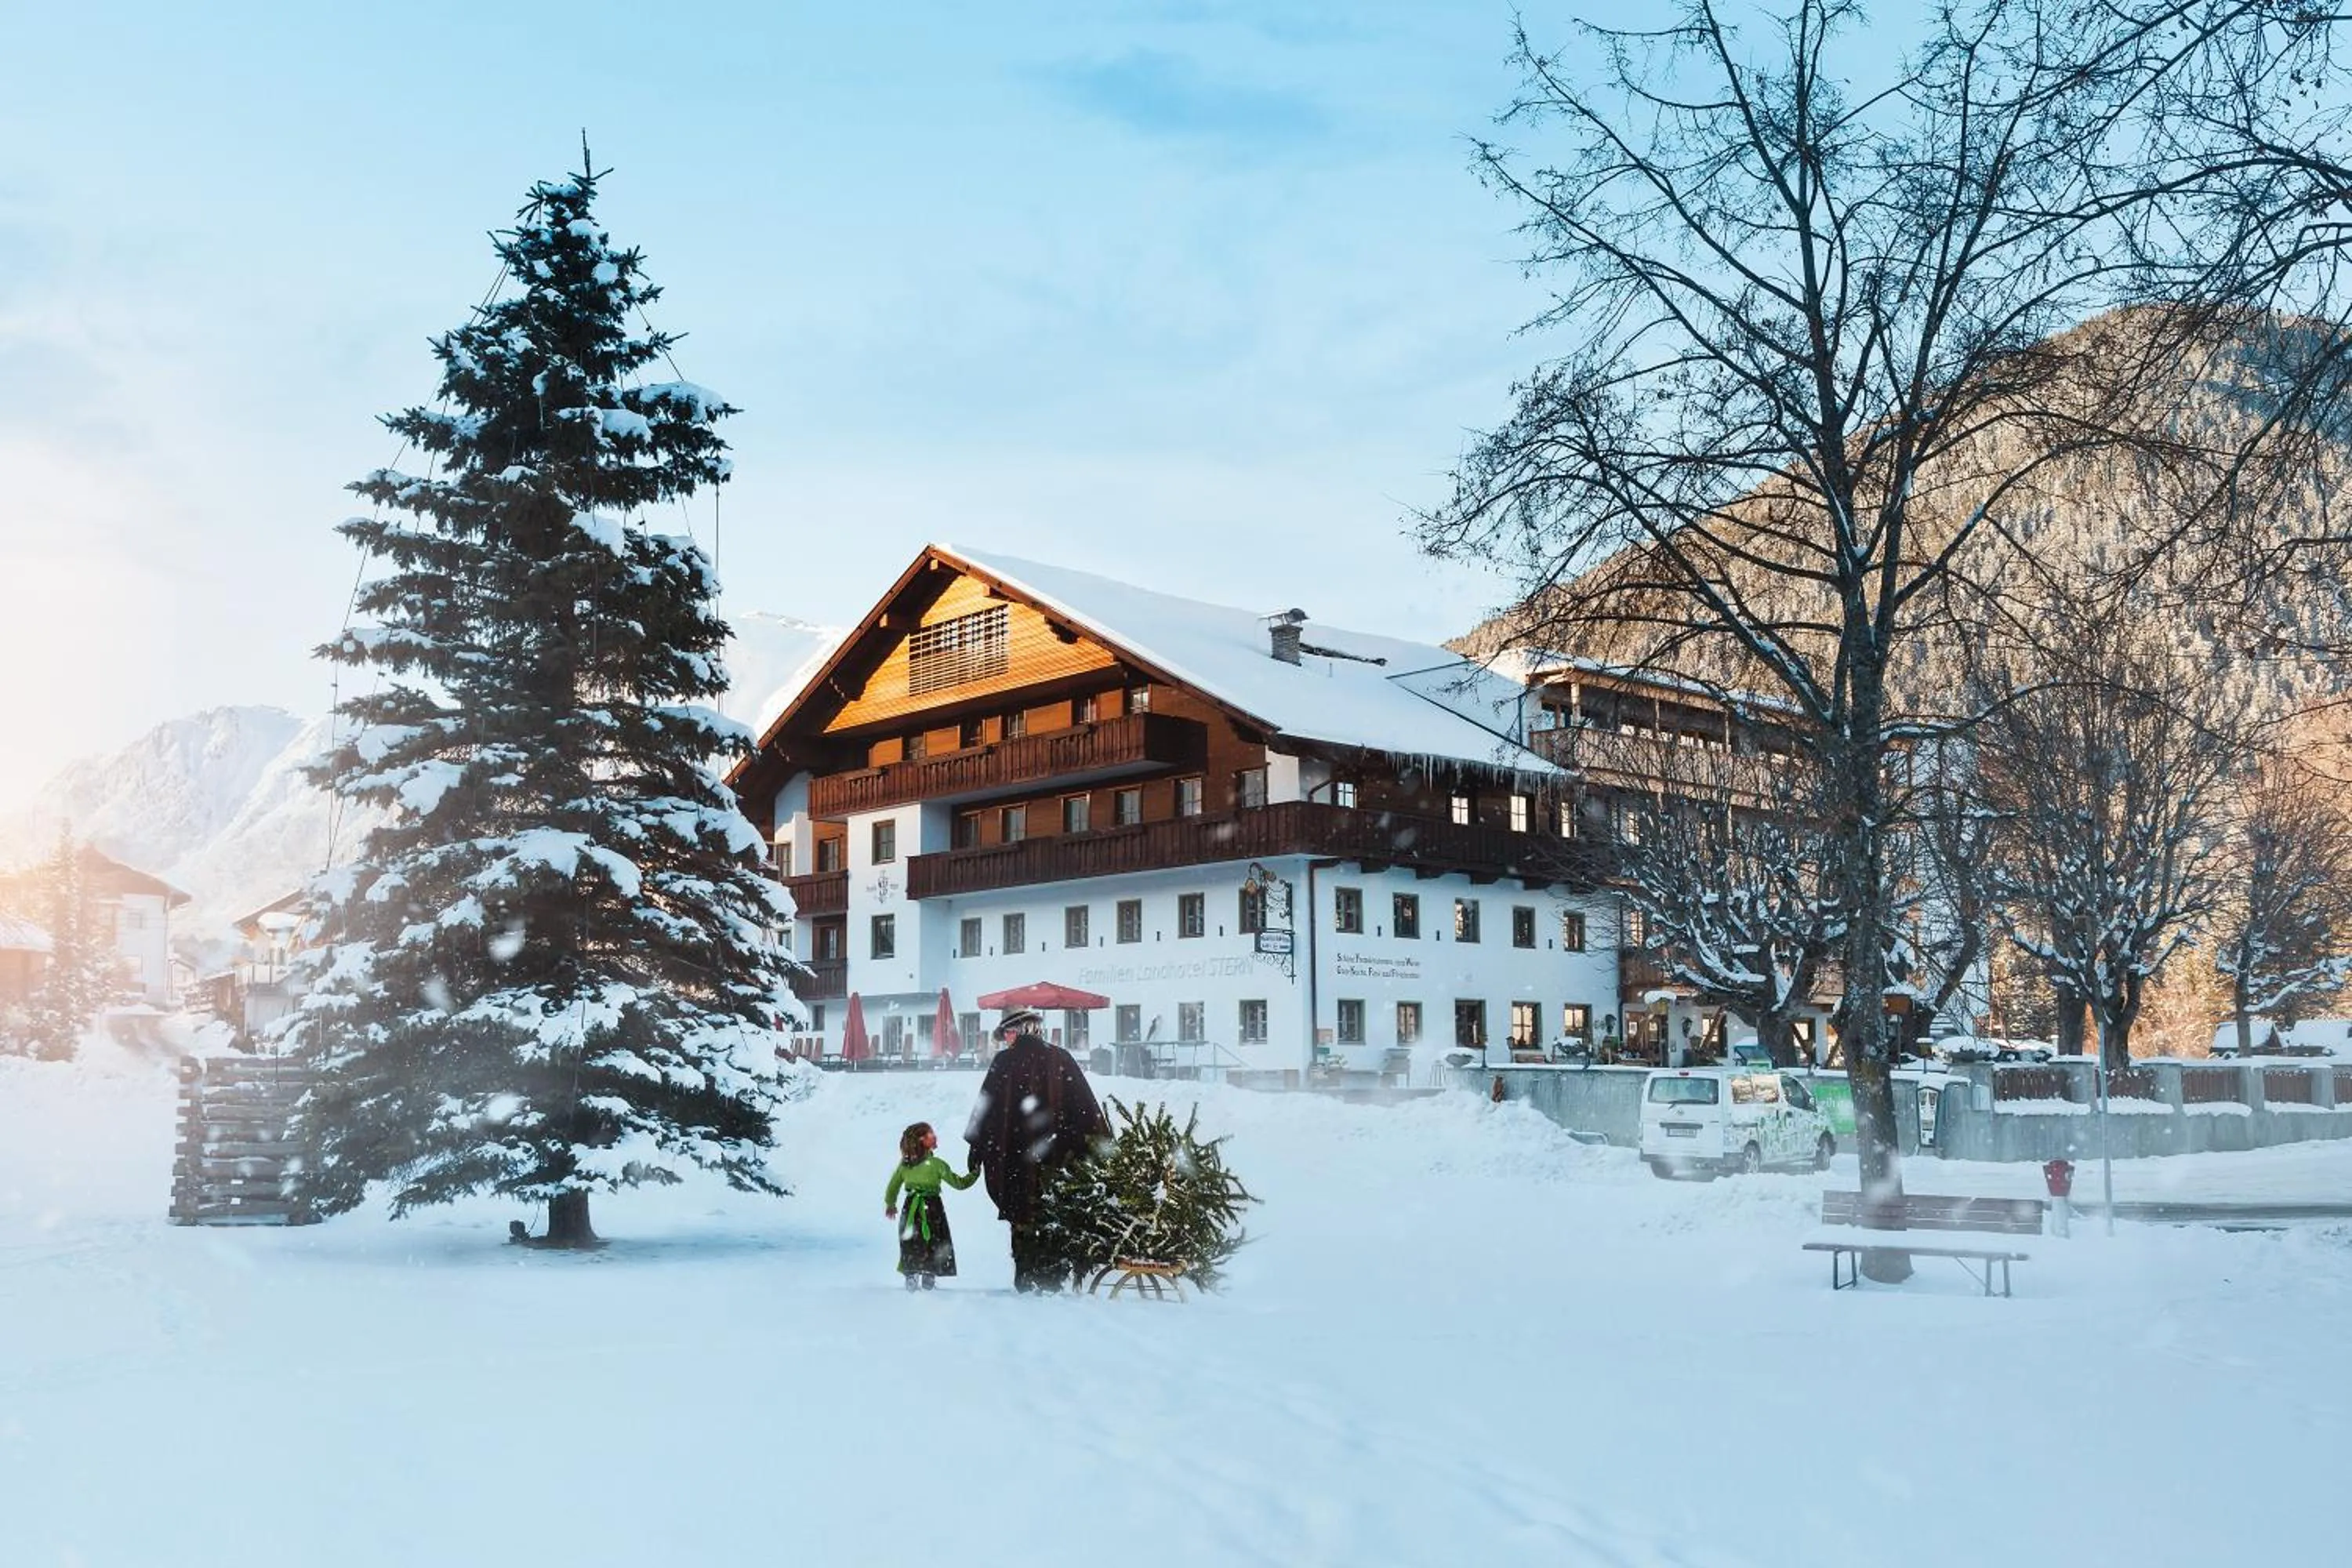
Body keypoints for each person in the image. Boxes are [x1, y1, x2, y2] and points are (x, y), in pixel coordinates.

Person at [964, 1007, 1111, 1292]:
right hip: (1056, 1156)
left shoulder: (1005, 1062)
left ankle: (1025, 1272)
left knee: (1021, 1215)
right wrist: (1096, 1145)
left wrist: (978, 1147)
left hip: (1014, 1158)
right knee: (1052, 1213)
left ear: (1022, 1030)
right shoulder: (1061, 1059)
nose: (1005, 1039)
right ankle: (1051, 1275)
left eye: (1007, 1033)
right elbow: (1085, 1108)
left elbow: (985, 1109)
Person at [884, 1120, 978, 1291]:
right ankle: (929, 1276)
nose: (934, 1136)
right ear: (921, 1141)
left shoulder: (905, 1165)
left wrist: (891, 1204)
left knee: (911, 1241)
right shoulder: (937, 1165)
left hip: (911, 1207)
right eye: (929, 1135)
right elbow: (959, 1184)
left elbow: (893, 1186)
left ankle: (911, 1274)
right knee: (934, 1241)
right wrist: (975, 1174)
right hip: (932, 1208)